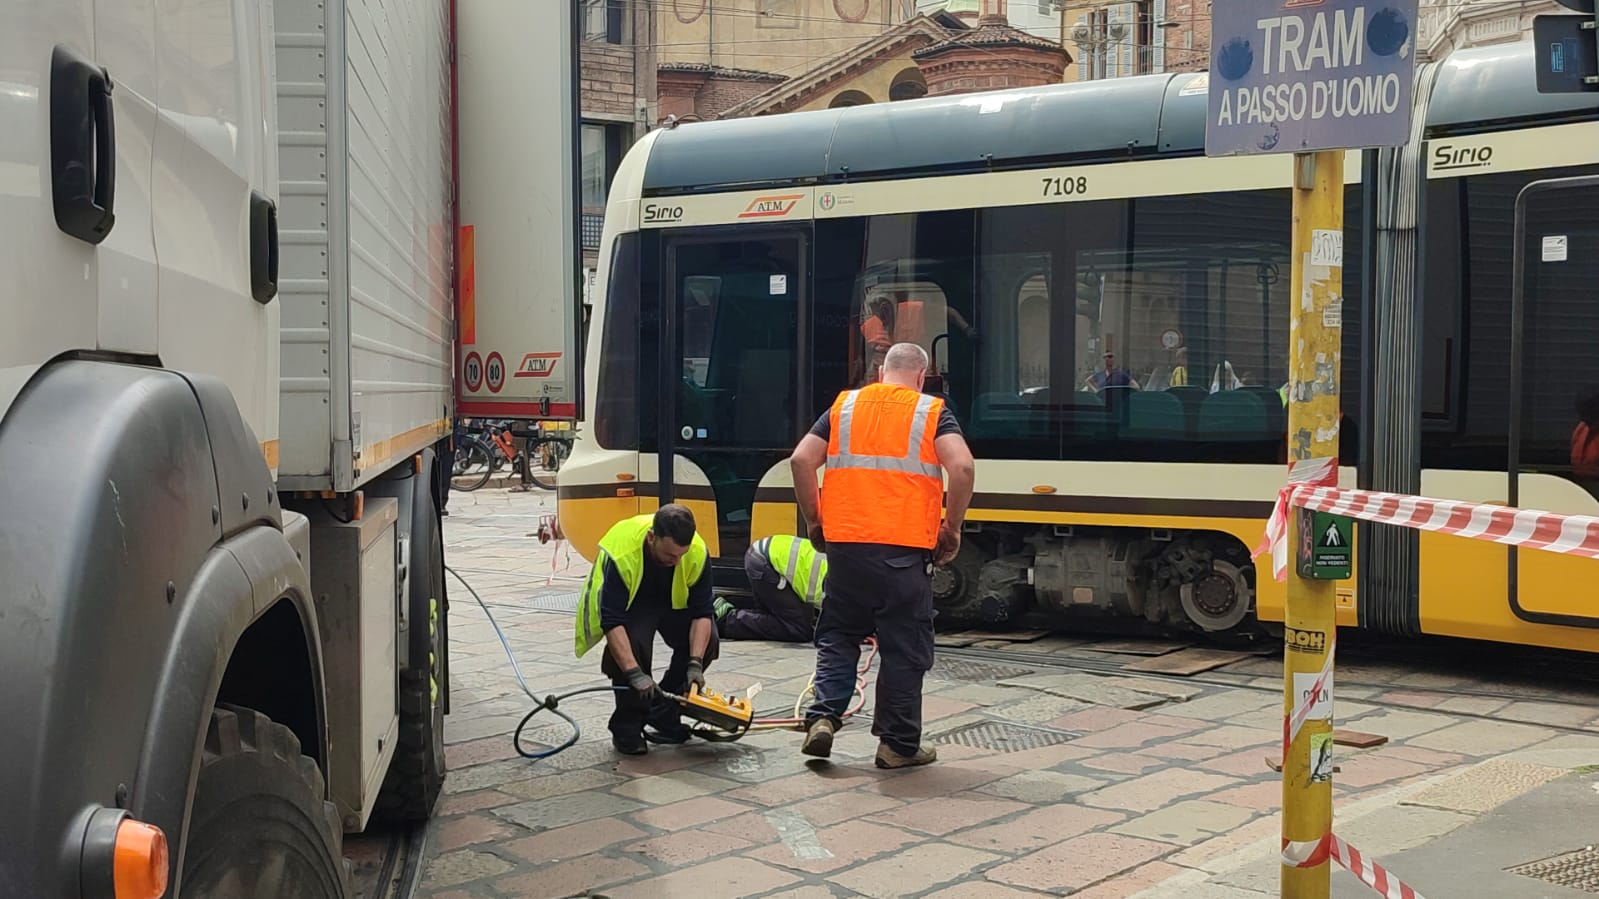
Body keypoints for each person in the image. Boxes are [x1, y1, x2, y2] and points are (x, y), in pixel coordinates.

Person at [788, 342, 976, 769]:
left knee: (839, 631)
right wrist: (953, 526)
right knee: (904, 646)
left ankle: (823, 717)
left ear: (880, 370)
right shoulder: (931, 411)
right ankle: (897, 746)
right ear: (922, 375)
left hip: (847, 546)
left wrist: (815, 520)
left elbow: (801, 460)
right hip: (902, 551)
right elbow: (962, 468)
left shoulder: (845, 407)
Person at [573, 504, 719, 756]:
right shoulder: (622, 553)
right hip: (634, 603)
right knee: (633, 643)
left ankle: (663, 713)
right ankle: (627, 728)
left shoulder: (695, 551)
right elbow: (612, 621)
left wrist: (694, 662)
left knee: (709, 641)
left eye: (681, 556)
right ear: (652, 538)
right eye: (670, 555)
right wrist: (633, 673)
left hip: (672, 602)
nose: (677, 561)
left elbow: (702, 613)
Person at [716, 534, 828, 643]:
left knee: (795, 620)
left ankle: (732, 610)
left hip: (769, 555)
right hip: (766, 562)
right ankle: (726, 620)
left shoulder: (839, 566)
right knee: (798, 629)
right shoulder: (840, 585)